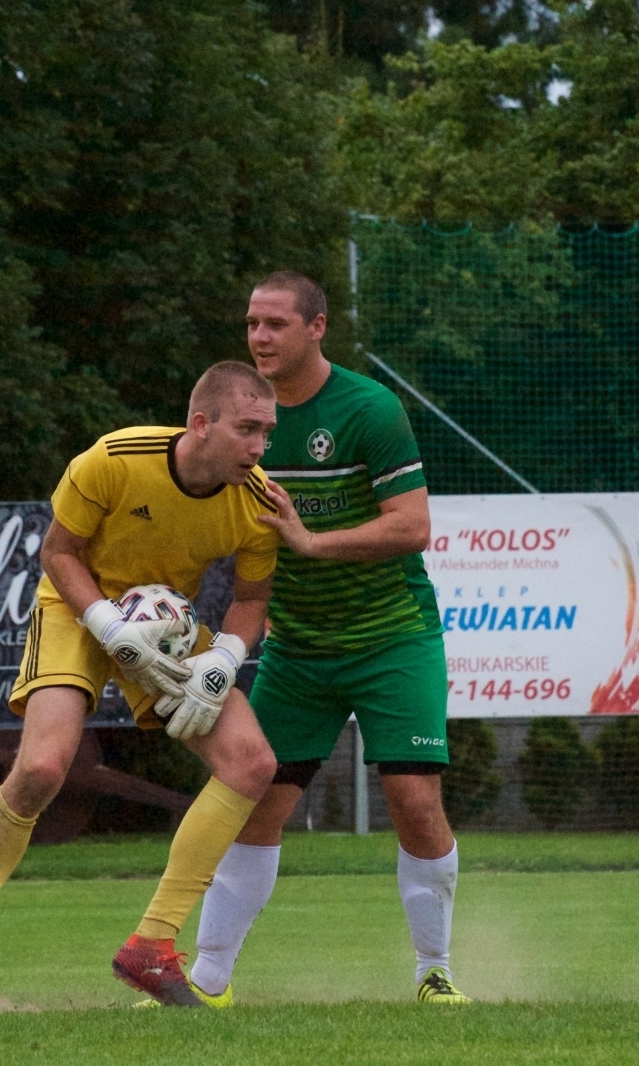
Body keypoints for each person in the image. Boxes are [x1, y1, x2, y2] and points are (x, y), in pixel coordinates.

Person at [0, 360, 282, 1012]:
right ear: (202, 423)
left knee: (252, 763)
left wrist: (225, 655)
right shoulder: (114, 457)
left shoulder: (258, 501)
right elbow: (58, 553)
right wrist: (109, 626)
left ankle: (152, 946)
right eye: (248, 429)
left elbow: (252, 597)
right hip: (80, 611)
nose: (259, 447)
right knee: (43, 768)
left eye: (267, 433)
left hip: (167, 626)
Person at [186, 271, 471, 1006]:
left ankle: (432, 973)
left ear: (317, 329)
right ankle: (206, 982)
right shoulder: (241, 413)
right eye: (251, 323)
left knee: (413, 798)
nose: (259, 337)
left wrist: (312, 545)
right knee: (256, 803)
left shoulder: (369, 409)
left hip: (392, 638)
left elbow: (413, 526)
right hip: (298, 649)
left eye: (275, 323)